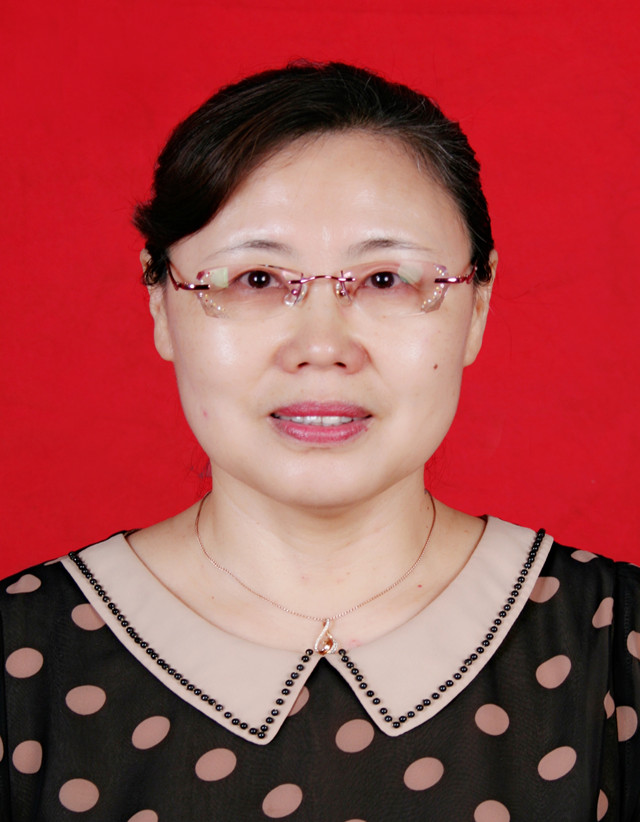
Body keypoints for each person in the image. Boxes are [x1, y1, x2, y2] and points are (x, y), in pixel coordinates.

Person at [1, 62, 638, 822]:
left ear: (477, 305)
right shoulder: (21, 659)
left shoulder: (617, 644)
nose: (322, 347)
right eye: (257, 280)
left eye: (386, 280)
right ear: (162, 304)